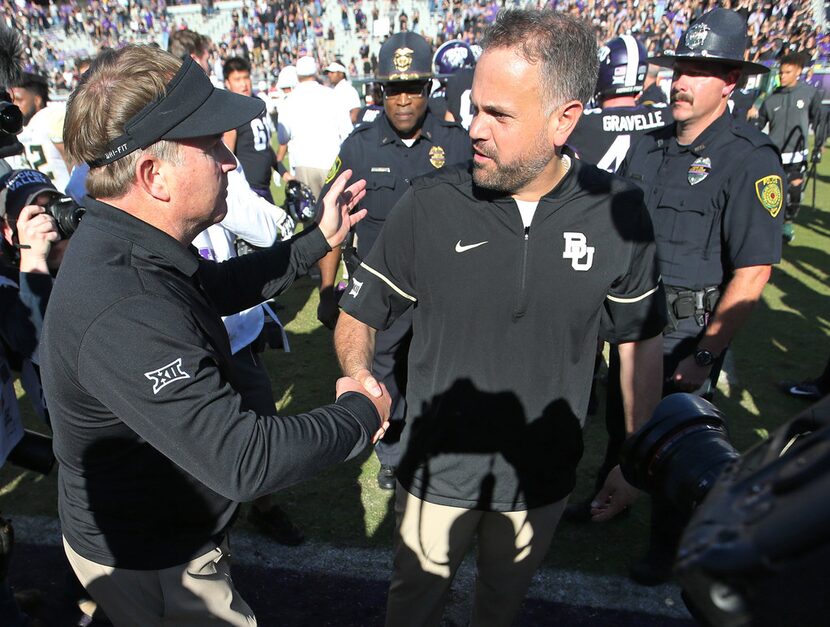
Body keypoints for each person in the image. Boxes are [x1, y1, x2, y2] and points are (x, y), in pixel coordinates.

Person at [40, 45, 391, 625]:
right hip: (155, 559)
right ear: (154, 176)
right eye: (209, 144)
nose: (231, 160)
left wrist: (314, 242)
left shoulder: (131, 242)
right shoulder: (123, 305)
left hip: (153, 535)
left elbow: (209, 287)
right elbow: (243, 459)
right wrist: (358, 412)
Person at [335, 10, 666, 625]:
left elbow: (638, 343)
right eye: (473, 106)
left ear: (564, 119)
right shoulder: (429, 203)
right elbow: (361, 309)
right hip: (435, 467)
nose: (472, 127)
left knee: (501, 606)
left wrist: (634, 454)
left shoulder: (619, 213)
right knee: (412, 607)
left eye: (499, 114)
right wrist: (359, 373)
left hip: (541, 473)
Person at [618, 8, 785, 585]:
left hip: (686, 335)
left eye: (699, 71)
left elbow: (754, 270)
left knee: (678, 447)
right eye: (678, 68)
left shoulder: (749, 157)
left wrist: (705, 355)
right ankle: (611, 499)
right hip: (629, 324)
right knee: (622, 427)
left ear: (730, 84)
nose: (681, 81)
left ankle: (671, 544)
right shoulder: (649, 146)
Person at [317, 31, 472, 491]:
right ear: (379, 91)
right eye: (393, 88)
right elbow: (332, 227)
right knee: (381, 369)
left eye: (415, 88)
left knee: (443, 369)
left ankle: (434, 444)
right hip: (380, 291)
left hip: (444, 288)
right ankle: (391, 451)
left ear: (430, 89)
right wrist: (328, 293)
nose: (404, 99)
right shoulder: (357, 146)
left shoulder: (458, 144)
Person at [564, 34, 673, 523]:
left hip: (590, 259)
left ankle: (562, 480)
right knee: (634, 383)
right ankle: (623, 478)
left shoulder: (582, 124)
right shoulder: (668, 118)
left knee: (572, 372)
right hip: (651, 265)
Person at [755, 52, 824, 242]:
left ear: (798, 72)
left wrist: (819, 146)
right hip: (774, 155)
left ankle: (787, 224)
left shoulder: (809, 93)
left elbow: (819, 121)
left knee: (794, 194)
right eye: (781, 72)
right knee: (772, 195)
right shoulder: (771, 99)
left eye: (787, 72)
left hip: (797, 155)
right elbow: (758, 125)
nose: (782, 76)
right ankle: (771, 227)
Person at [277, 56, 353, 199]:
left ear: (297, 75)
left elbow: (282, 137)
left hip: (303, 163)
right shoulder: (332, 95)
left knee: (311, 214)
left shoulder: (289, 100)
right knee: (336, 212)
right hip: (332, 161)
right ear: (316, 72)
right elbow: (347, 133)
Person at [222, 57, 279, 202]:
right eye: (237, 79)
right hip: (247, 192)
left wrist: (284, 173)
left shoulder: (258, 104)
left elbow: (263, 146)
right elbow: (227, 155)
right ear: (227, 83)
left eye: (246, 77)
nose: (243, 84)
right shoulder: (231, 112)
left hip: (265, 188)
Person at [8, 73, 70, 191]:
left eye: (19, 100)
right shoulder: (24, 128)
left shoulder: (50, 115)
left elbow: (73, 160)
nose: (14, 105)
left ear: (37, 100)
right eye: (12, 101)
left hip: (68, 196)